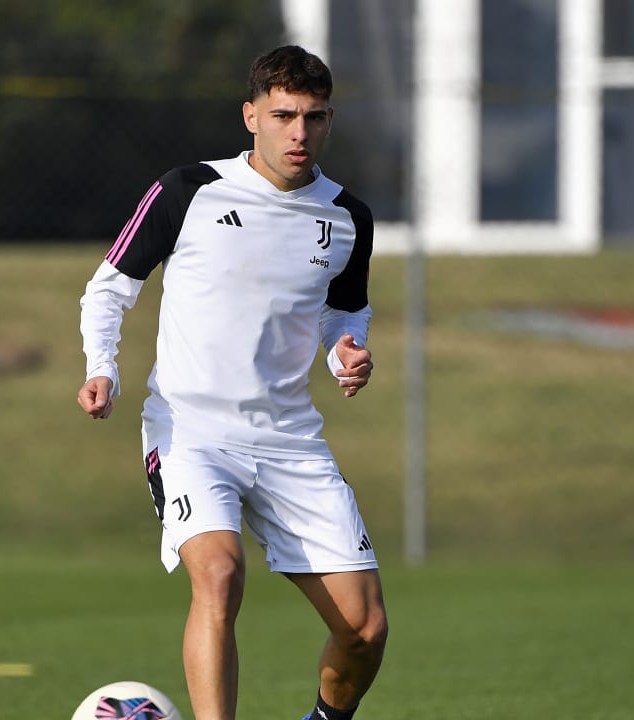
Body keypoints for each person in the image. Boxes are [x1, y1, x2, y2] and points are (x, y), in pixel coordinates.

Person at [78, 45, 387, 720]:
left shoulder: (348, 219)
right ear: (251, 116)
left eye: (313, 117)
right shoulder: (188, 190)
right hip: (192, 431)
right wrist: (102, 365)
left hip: (289, 441)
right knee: (219, 576)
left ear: (329, 120)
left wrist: (346, 355)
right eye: (283, 116)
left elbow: (343, 313)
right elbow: (111, 286)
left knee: (364, 630)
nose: (298, 133)